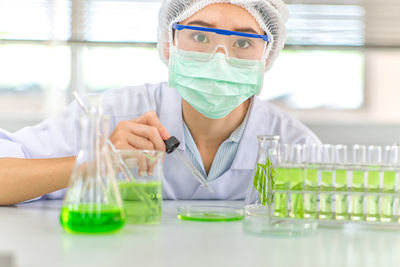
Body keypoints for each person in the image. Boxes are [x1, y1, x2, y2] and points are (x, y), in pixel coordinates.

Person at [0, 0, 320, 205]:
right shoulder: (110, 114)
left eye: (242, 42)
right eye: (200, 36)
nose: (219, 59)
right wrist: (95, 162)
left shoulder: (293, 142)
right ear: (169, 44)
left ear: (267, 56)